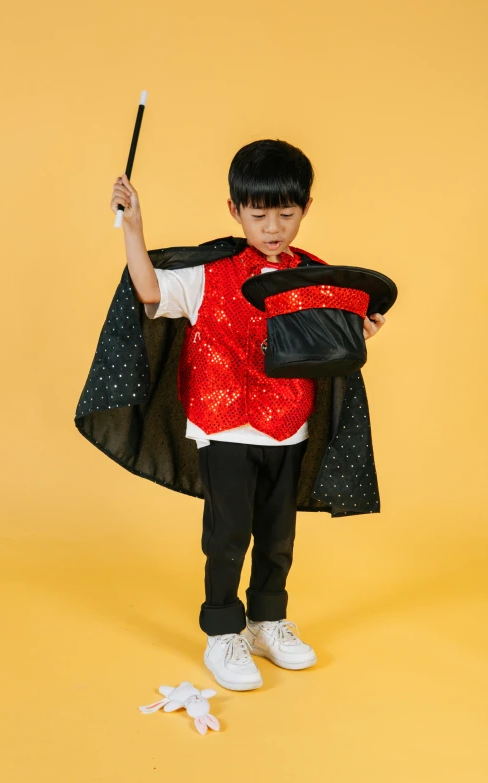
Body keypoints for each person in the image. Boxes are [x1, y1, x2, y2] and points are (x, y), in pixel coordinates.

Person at [107, 139, 386, 692]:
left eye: (287, 213)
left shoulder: (315, 277)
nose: (274, 227)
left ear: (306, 207)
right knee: (229, 532)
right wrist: (133, 228)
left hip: (289, 424)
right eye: (260, 215)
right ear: (235, 211)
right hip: (224, 422)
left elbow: (340, 340)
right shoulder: (209, 274)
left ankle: (266, 622)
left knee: (278, 534)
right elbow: (149, 289)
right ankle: (223, 630)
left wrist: (361, 333)